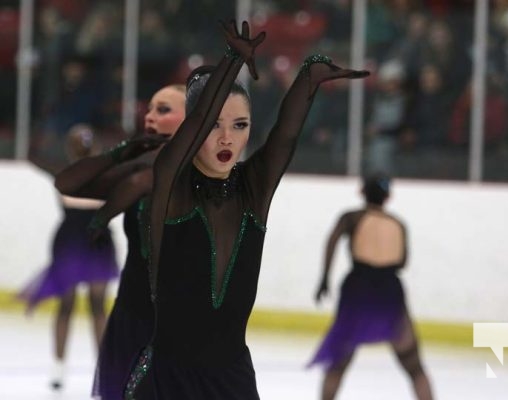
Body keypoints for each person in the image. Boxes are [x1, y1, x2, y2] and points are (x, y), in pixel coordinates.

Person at [111, 20, 369, 399]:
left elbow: (285, 135)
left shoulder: (253, 191)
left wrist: (308, 78)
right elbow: (194, 123)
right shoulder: (171, 185)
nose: (227, 138)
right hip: (166, 380)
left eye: (240, 124)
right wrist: (232, 61)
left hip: (232, 380)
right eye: (214, 125)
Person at [54, 84, 186, 399]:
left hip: (184, 322)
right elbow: (68, 183)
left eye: (163, 109)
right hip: (133, 314)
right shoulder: (137, 171)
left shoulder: (215, 179)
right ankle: (58, 365)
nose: (150, 117)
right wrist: (120, 152)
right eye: (150, 108)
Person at [308, 173, 434, 400]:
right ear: (389, 196)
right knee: (414, 365)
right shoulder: (398, 224)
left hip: (359, 286)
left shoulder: (351, 218)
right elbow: (403, 261)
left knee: (339, 361)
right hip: (389, 289)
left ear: (362, 192)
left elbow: (332, 240)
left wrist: (324, 278)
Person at [17, 124, 119, 391]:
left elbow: (32, 156)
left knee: (69, 305)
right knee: (94, 307)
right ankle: (91, 369)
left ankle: (59, 369)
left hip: (74, 241)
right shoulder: (105, 174)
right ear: (94, 147)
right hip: (91, 241)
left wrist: (42, 136)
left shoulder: (64, 172)